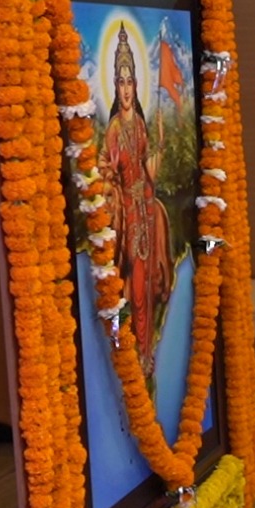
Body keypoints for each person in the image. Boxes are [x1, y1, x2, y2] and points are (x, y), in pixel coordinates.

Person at [99, 22, 174, 377]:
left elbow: (150, 173)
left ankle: (147, 351)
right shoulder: (114, 129)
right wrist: (112, 186)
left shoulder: (141, 126)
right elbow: (105, 167)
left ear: (136, 85)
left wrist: (158, 141)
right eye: (121, 82)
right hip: (128, 215)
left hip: (146, 207)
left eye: (130, 82)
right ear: (115, 85)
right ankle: (133, 352)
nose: (126, 89)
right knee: (136, 281)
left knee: (151, 280)